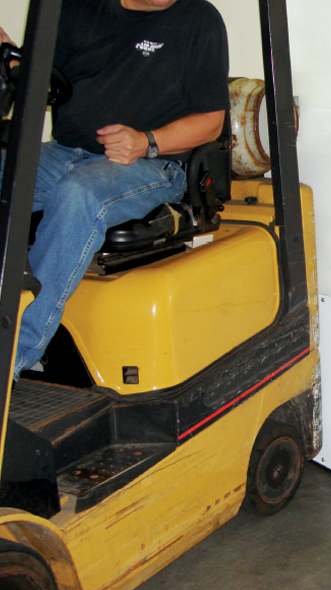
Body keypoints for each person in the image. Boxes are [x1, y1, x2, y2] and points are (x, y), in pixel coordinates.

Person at [0, 0, 230, 381]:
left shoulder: (199, 20)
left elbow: (210, 122)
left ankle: (11, 357)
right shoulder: (76, 9)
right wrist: (13, 68)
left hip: (153, 163)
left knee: (78, 196)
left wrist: (147, 141)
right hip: (65, 152)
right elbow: (41, 85)